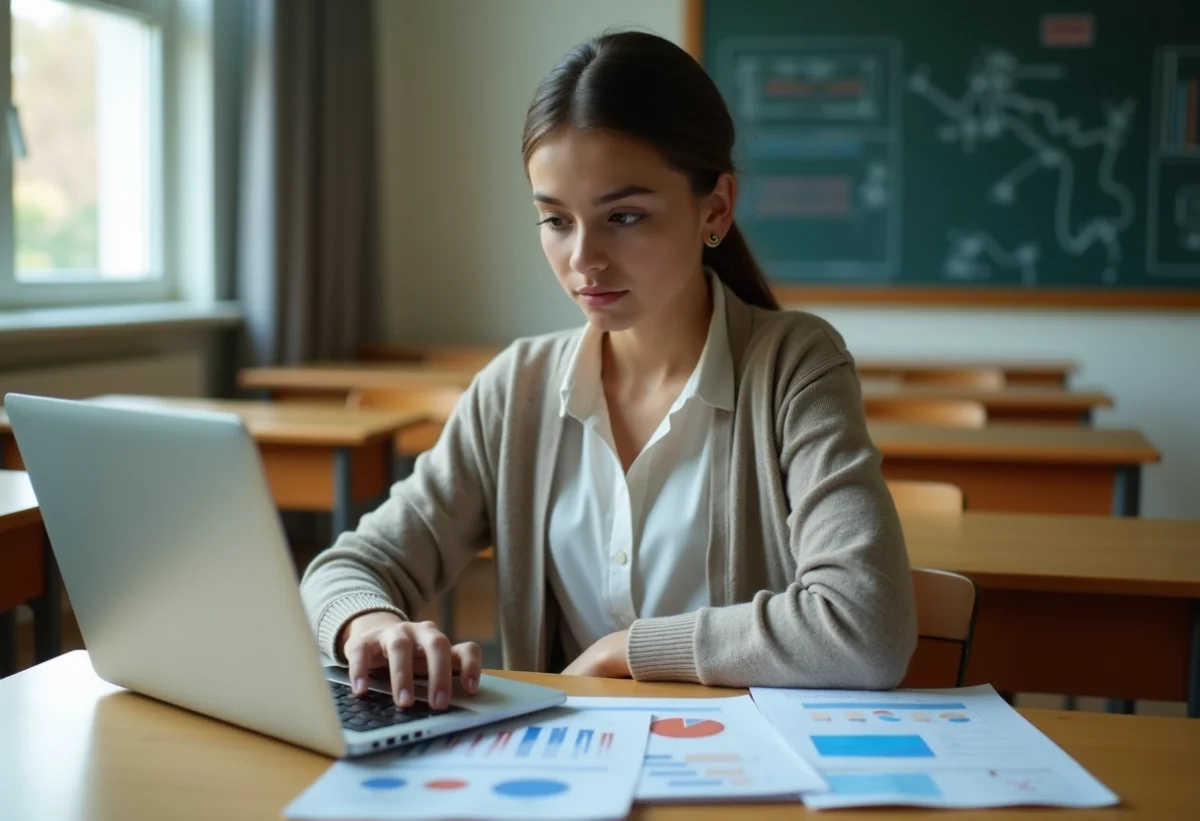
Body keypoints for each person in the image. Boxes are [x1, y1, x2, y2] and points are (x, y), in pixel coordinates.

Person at [300, 30, 916, 712]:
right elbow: (347, 568)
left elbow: (867, 625)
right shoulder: (517, 387)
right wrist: (372, 625)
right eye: (556, 220)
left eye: (624, 216)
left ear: (715, 208)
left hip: (745, 774)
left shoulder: (795, 365)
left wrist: (631, 648)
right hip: (564, 770)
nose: (584, 259)